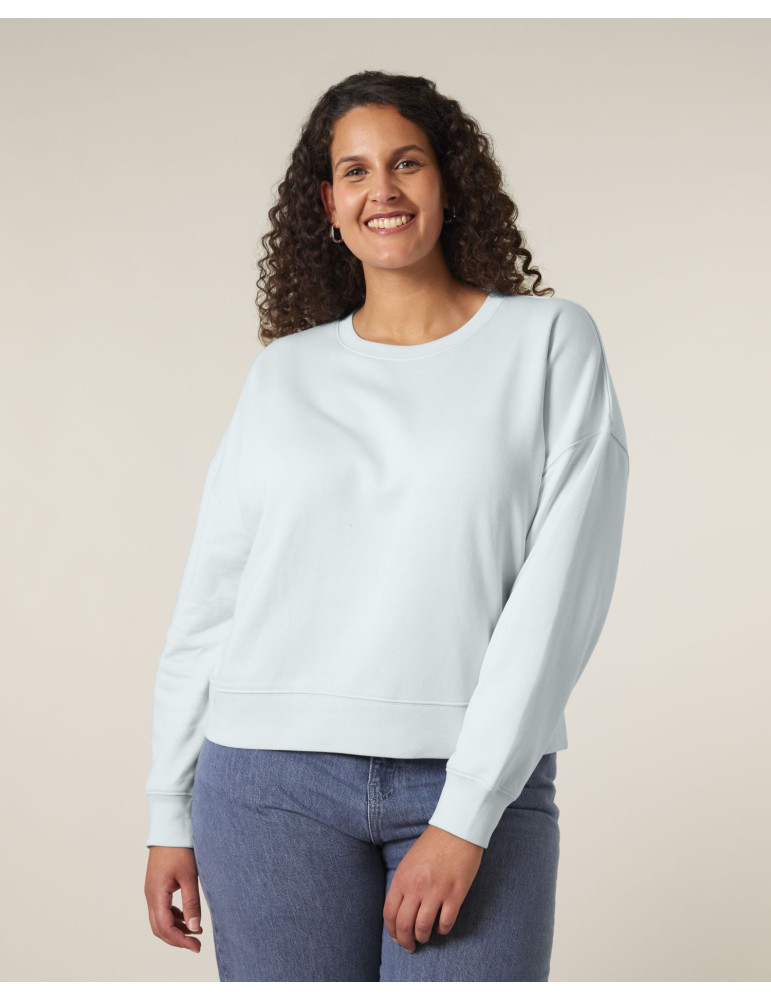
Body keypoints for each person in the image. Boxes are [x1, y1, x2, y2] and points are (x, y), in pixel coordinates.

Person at [143, 70, 630, 982]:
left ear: (448, 180)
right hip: (266, 785)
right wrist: (167, 807)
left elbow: (560, 594)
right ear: (327, 205)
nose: (383, 190)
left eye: (406, 162)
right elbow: (212, 601)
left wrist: (466, 812)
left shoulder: (548, 343)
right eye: (355, 171)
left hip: (468, 777)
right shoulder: (283, 373)